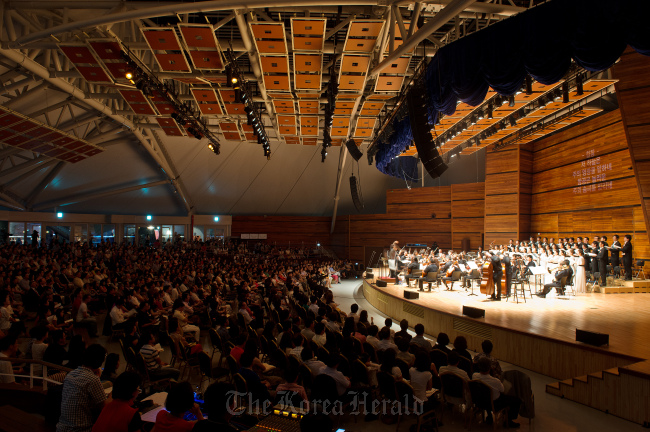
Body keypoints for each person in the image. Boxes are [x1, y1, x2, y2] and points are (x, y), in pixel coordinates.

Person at [57, 344, 108, 432]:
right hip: (81, 429)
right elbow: (104, 407)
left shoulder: (71, 374)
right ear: (100, 361)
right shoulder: (92, 379)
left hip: (62, 427)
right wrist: (112, 395)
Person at [472, 357, 521, 429]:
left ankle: (489, 416)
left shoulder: (474, 376)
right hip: (494, 404)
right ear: (490, 367)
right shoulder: (495, 381)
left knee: (486, 394)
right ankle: (508, 421)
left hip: (479, 401)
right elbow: (502, 390)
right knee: (516, 400)